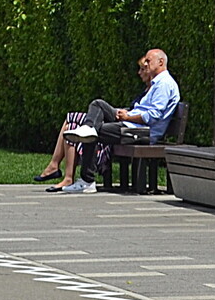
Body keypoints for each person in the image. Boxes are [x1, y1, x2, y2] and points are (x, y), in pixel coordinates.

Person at [40, 49, 180, 193]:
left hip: (143, 132)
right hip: (132, 124)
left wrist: (128, 117)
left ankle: (87, 181)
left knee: (94, 133)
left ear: (161, 62)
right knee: (98, 104)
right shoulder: (157, 83)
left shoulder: (164, 84)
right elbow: (145, 111)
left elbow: (153, 116)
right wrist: (127, 113)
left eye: (149, 61)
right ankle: (88, 127)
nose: (146, 64)